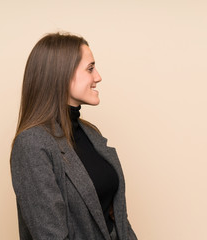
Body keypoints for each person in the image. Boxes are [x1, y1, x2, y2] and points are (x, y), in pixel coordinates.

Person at [10, 32, 137, 240]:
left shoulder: (91, 133)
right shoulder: (32, 143)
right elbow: (51, 235)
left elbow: (118, 219)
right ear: (62, 74)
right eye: (90, 69)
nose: (98, 77)